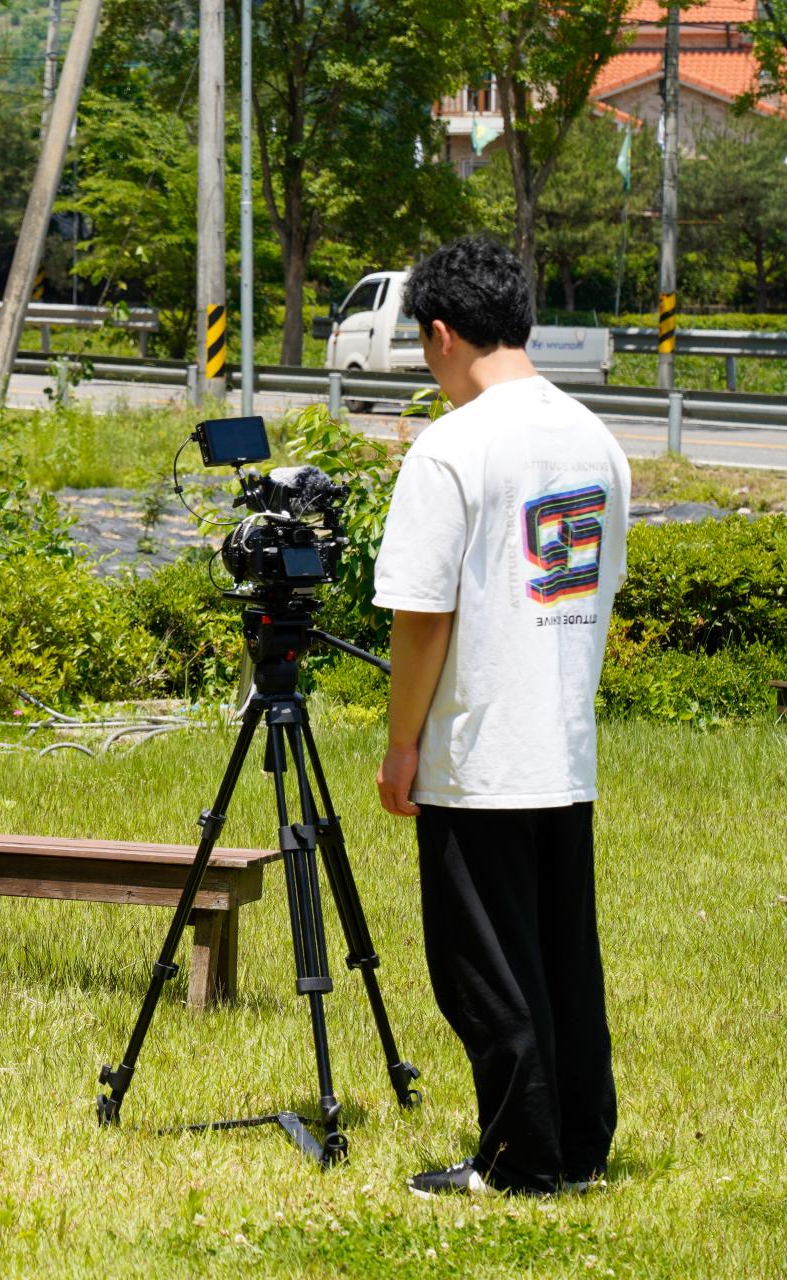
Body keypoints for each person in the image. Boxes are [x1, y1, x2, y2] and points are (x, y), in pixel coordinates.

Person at [372, 236, 629, 1198]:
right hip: (562, 746)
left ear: (442, 333)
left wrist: (402, 744)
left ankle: (522, 1162)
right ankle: (579, 1146)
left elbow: (421, 616)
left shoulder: (452, 445)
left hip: (478, 751)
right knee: (563, 958)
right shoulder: (597, 440)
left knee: (483, 970)